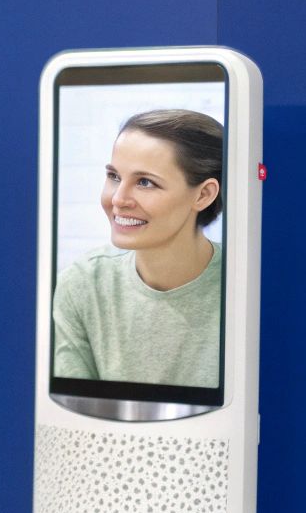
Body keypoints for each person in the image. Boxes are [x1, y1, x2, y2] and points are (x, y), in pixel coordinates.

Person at [53, 108, 223, 388]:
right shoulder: (81, 284)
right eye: (114, 176)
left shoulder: (245, 286)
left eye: (145, 182)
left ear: (203, 195)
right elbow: (75, 416)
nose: (118, 199)